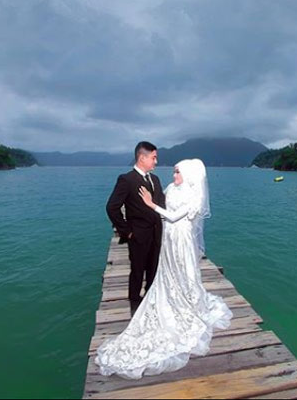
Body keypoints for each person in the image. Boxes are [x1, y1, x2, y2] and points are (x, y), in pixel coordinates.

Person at [95, 159, 233, 380]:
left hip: (180, 237)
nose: (174, 175)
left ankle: (187, 301)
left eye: (177, 172)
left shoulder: (194, 195)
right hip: (168, 237)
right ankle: (167, 293)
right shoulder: (171, 188)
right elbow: (159, 206)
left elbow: (174, 216)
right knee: (168, 270)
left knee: (184, 270)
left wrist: (151, 204)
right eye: (175, 171)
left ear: (188, 175)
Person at [106, 141, 166, 317]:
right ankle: (134, 302)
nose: (156, 161)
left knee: (153, 269)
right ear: (142, 158)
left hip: (156, 233)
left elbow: (161, 204)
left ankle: (150, 298)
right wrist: (127, 231)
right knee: (137, 271)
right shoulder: (127, 180)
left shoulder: (155, 180)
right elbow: (112, 208)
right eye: (154, 158)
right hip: (138, 235)